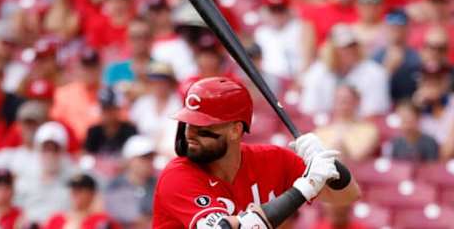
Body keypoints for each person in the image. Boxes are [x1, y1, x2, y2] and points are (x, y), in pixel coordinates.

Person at [153, 77, 360, 228]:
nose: (190, 134)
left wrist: (326, 162)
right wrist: (304, 189)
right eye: (189, 123)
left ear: (235, 130)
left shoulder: (272, 160)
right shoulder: (177, 175)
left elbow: (346, 196)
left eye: (204, 126)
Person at [300, 24, 390, 119]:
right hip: (326, 127)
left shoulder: (375, 73)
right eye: (343, 47)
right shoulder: (317, 73)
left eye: (352, 46)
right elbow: (310, 110)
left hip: (362, 127)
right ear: (331, 50)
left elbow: (375, 112)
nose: (349, 51)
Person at [15, 121, 73, 225]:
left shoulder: (74, 178)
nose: (50, 154)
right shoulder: (26, 176)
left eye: (55, 149)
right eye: (46, 149)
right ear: (38, 149)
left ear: (63, 150)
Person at [315, 85, 379, 162]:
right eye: (338, 99)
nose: (342, 103)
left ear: (357, 101)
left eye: (346, 100)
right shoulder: (321, 131)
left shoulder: (369, 129)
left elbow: (359, 156)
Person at [104, 135, 158, 228]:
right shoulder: (116, 185)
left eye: (151, 158)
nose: (149, 162)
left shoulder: (157, 184)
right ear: (130, 160)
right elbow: (132, 218)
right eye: (144, 158)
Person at [372, 9, 422, 103]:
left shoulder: (416, 58)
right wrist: (387, 71)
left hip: (410, 109)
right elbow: (370, 92)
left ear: (407, 29)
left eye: (400, 27)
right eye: (392, 27)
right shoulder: (376, 57)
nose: (396, 31)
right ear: (386, 28)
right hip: (383, 108)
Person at [44, 173, 120, 229]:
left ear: (92, 194)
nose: (75, 193)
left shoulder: (102, 221)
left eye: (80, 189)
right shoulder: (56, 219)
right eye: (73, 189)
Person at [84, 86, 137, 156]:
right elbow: (87, 156)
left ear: (118, 109)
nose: (108, 113)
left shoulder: (130, 130)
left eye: (111, 109)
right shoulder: (93, 132)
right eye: (105, 109)